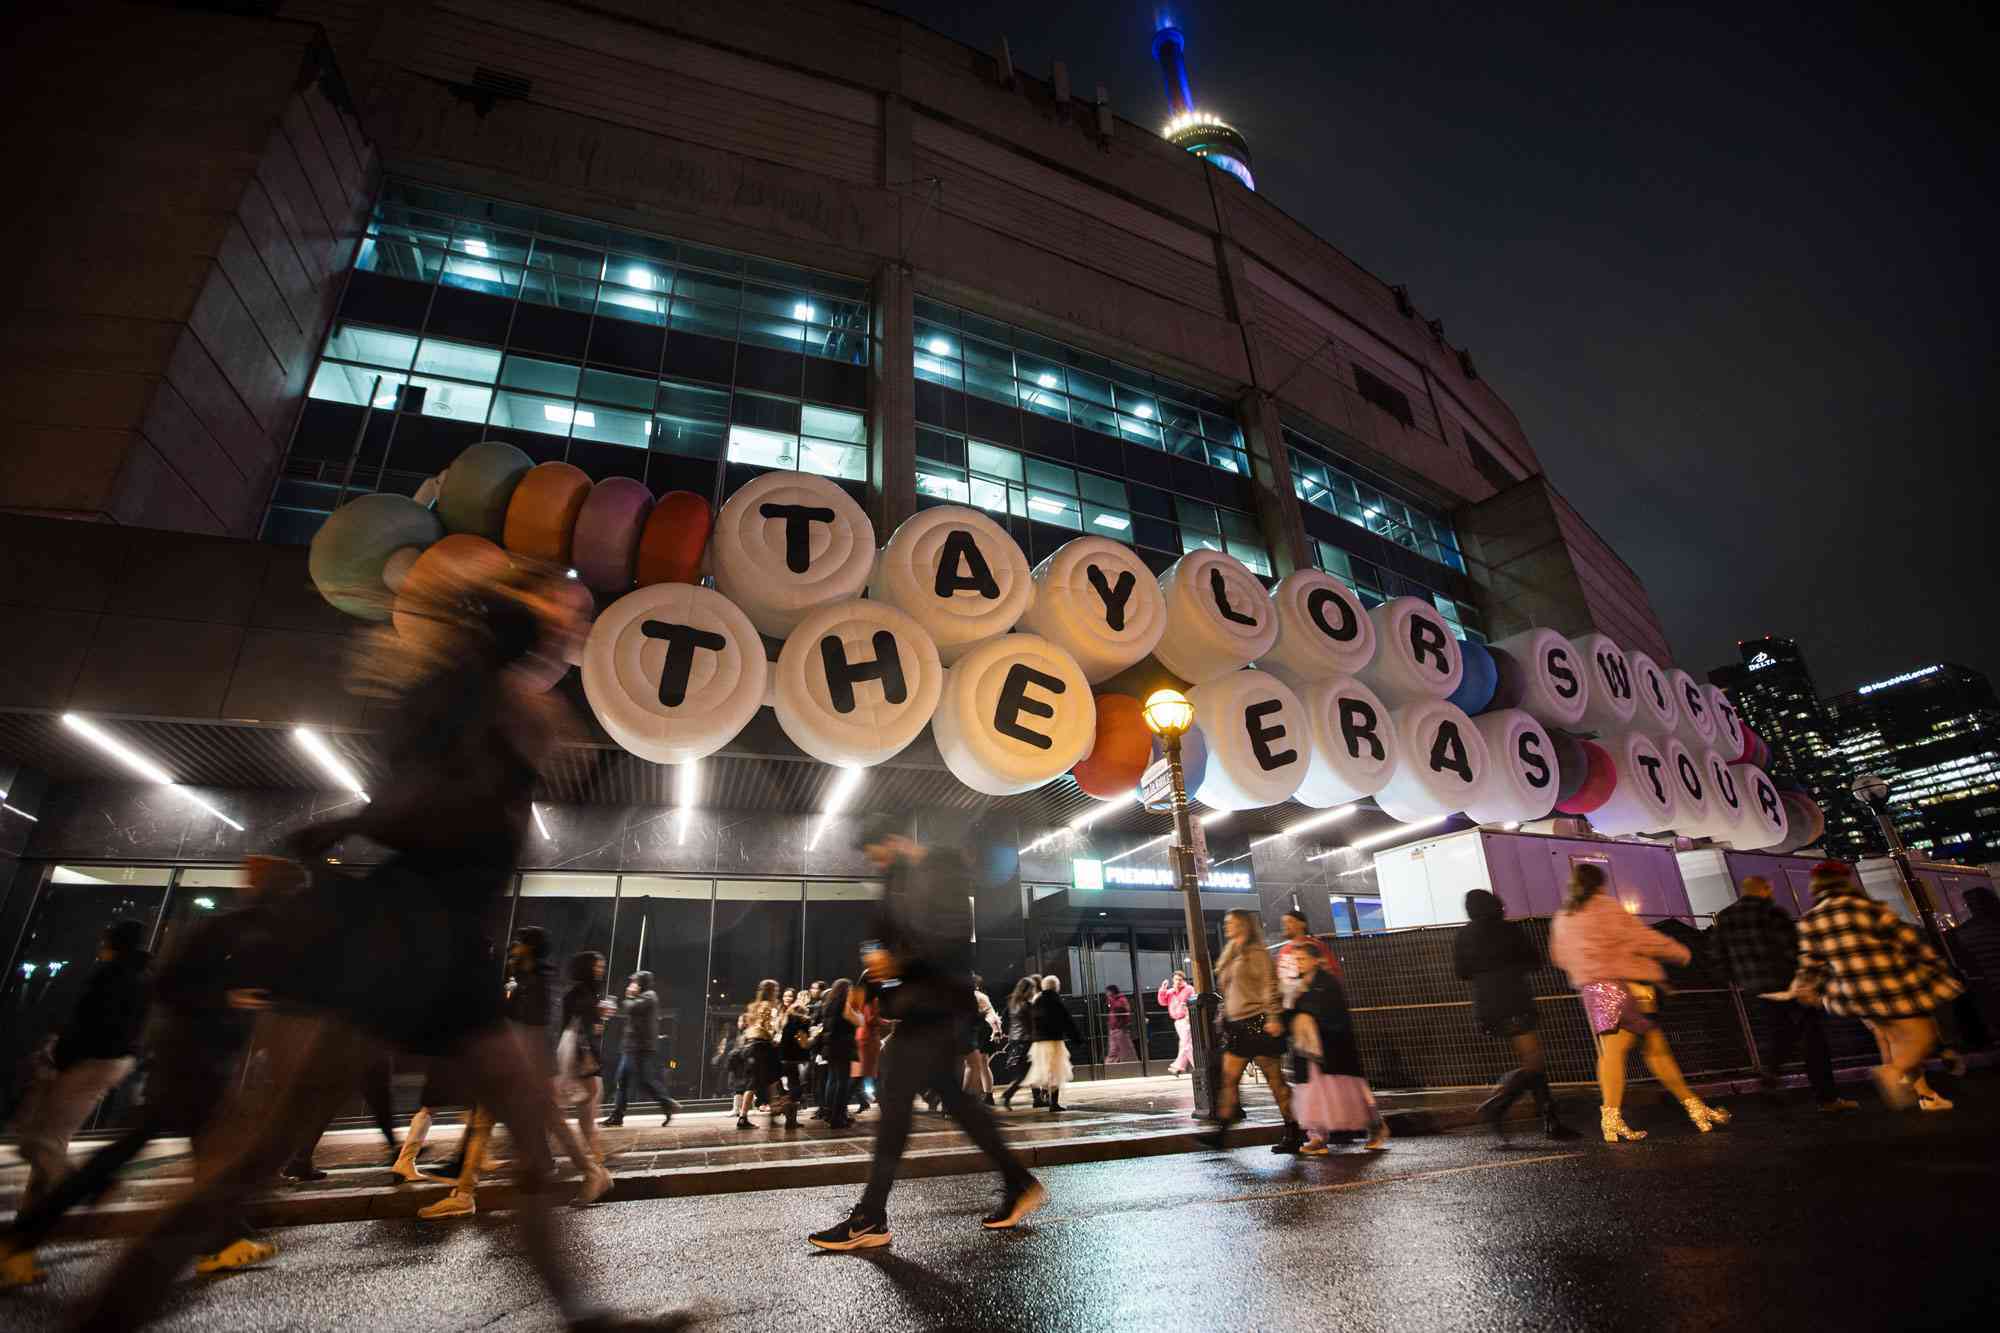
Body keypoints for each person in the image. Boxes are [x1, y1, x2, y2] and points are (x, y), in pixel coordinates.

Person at [70, 566, 630, 1330]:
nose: (563, 631)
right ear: (503, 633)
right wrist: (360, 823)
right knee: (259, 1152)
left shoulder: (496, 700)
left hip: (446, 949)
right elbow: (423, 804)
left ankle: (588, 1316)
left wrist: (362, 822)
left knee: (529, 1148)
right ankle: (104, 1314)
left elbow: (420, 800)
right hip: (404, 942)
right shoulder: (467, 698)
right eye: (549, 620)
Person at [1, 864, 290, 1289]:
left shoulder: (250, 929)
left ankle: (227, 1239)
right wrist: (230, 999)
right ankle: (21, 1238)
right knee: (138, 1148)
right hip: (193, 1062)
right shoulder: (233, 928)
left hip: (203, 1059)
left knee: (202, 1150)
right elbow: (171, 986)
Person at [808, 818, 1044, 1250]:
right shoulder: (897, 883)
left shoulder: (941, 873)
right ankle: (1017, 1181)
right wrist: (868, 980)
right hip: (925, 1014)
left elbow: (945, 944)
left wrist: (896, 965)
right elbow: (880, 940)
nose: (876, 864)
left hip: (939, 1011)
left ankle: (871, 1217)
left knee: (896, 1099)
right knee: (953, 1102)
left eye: (878, 853)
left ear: (895, 841)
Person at [423, 926, 612, 1218]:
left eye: (518, 943)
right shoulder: (528, 982)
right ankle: (465, 1192)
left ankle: (591, 1172)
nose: (512, 947)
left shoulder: (538, 984)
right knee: (486, 1122)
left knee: (534, 1122)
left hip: (527, 1069)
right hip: (519, 1067)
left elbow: (532, 1029)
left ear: (530, 948)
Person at [1548, 864, 1730, 1141]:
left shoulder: (1564, 917)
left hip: (1595, 991)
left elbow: (1559, 957)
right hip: (1624, 986)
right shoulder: (1605, 908)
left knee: (1641, 1050)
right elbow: (1641, 938)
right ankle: (1623, 1117)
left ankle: (1690, 1110)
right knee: (1642, 1052)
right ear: (1599, 884)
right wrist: (1679, 952)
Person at [1786, 860, 1963, 1111]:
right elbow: (1908, 942)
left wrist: (1804, 986)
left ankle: (1925, 1095)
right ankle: (1894, 1072)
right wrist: (1932, 966)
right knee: (1922, 1034)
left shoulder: (1811, 919)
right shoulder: (1870, 909)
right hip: (1891, 985)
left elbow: (1810, 962)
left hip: (1855, 994)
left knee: (1892, 1039)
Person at [10, 919, 150, 1212]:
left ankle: (87, 1186)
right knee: (50, 1137)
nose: (100, 945)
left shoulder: (112, 977)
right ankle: (35, 1206)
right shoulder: (142, 977)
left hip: (91, 1062)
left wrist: (60, 1057)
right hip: (112, 1062)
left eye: (105, 940)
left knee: (42, 1139)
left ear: (114, 943)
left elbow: (89, 1024)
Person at [1711, 876, 1855, 1112]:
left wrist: (1739, 979)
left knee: (1780, 1034)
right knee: (1814, 1041)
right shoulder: (1773, 912)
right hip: (1789, 986)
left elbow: (1718, 956)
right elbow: (1791, 948)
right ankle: (1826, 1098)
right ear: (1766, 889)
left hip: (1758, 988)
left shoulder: (1726, 917)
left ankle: (1771, 1073)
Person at [1453, 890, 1579, 1140]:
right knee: (1534, 1061)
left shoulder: (1463, 935)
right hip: (1514, 1001)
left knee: (1533, 1061)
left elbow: (1461, 972)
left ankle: (1536, 1115)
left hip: (1486, 1006)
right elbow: (1534, 961)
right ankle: (1505, 1107)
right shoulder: (1509, 930)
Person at [1195, 910, 1301, 1154]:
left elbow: (1269, 986)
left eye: (1231, 923)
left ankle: (1293, 1131)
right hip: (1237, 1026)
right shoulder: (1231, 951)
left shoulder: (1258, 953)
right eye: (1225, 923)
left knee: (1276, 1083)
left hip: (1259, 1024)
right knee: (1229, 1080)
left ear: (1244, 925)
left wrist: (1273, 1017)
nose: (1226, 927)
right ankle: (1221, 1131)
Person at [1285, 945, 1388, 1152]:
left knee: (1349, 1093)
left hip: (1332, 1049)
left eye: (1303, 958)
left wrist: (1310, 1019)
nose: (1299, 963)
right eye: (1296, 959)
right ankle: (1317, 1136)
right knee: (1312, 1093)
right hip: (1308, 1052)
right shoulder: (1297, 986)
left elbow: (1335, 1015)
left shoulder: (1327, 983)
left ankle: (1375, 1127)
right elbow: (1289, 1014)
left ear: (1315, 960)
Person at [553, 952, 613, 1168]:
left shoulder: (585, 992)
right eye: (597, 966)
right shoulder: (579, 993)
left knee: (587, 1107)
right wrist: (586, 1056)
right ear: (587, 968)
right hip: (580, 1054)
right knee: (585, 1107)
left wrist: (597, 1017)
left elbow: (588, 1025)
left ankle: (594, 1154)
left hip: (582, 1052)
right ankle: (591, 1157)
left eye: (602, 966)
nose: (601, 970)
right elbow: (577, 1027)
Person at [602, 970, 678, 1126]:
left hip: (639, 1047)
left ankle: (666, 1104)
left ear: (642, 982)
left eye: (635, 982)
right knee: (632, 1080)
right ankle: (619, 1115)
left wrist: (630, 995)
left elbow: (631, 1008)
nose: (632, 985)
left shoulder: (649, 996)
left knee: (638, 1081)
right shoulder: (645, 996)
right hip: (633, 1046)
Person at [1007, 976, 1079, 1112]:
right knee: (1054, 1071)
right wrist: (1077, 1039)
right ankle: (1052, 1102)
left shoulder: (1029, 1002)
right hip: (1048, 1040)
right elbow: (1066, 1021)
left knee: (1040, 1070)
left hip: (1034, 1042)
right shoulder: (1050, 1001)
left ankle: (1039, 1098)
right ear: (1056, 987)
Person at [733, 979, 785, 1129]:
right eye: (775, 990)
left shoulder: (754, 1007)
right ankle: (763, 1116)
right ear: (770, 992)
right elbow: (769, 1028)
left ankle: (748, 1116)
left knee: (759, 1081)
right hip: (763, 1046)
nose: (777, 992)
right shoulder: (769, 1007)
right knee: (771, 1079)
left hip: (751, 1045)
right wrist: (777, 1033)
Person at [817, 978, 861, 1128]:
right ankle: (837, 1117)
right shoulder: (844, 1004)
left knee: (833, 1080)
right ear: (845, 990)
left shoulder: (829, 1004)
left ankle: (831, 1114)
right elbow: (855, 1020)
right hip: (842, 1047)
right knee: (841, 1082)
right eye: (849, 989)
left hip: (831, 1047)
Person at [1275, 908, 1338, 1006]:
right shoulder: (1283, 950)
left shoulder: (1316, 946)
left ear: (1302, 924)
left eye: (1289, 922)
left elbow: (1332, 972)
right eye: (1283, 923)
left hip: (1316, 1004)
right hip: (1290, 1005)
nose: (1285, 926)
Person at [963, 975, 1002, 1104]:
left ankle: (969, 1097)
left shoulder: (974, 996)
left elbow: (990, 1014)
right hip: (981, 1030)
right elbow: (992, 1015)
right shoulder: (979, 996)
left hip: (978, 1031)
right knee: (981, 1065)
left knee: (974, 1064)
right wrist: (996, 1031)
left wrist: (996, 1030)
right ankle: (987, 1096)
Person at [1158, 970, 1197, 1075]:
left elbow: (1193, 1000)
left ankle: (1195, 1066)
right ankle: (1179, 1066)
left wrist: (1189, 1013)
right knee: (1185, 1044)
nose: (1178, 981)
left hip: (1186, 1019)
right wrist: (1163, 989)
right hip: (1177, 1021)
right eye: (1176, 979)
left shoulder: (1188, 989)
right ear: (1173, 980)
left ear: (1183, 980)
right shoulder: (1171, 992)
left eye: (1180, 979)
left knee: (1186, 1044)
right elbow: (1162, 1002)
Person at [1104, 984, 1137, 1063]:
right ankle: (1110, 1065)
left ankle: (1131, 1065)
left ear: (1111, 992)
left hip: (1119, 1028)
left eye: (1107, 992)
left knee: (1125, 1049)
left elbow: (1122, 1011)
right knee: (1114, 1049)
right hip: (1115, 1028)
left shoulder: (1120, 1000)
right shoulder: (1115, 1000)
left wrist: (1119, 1025)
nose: (1106, 994)